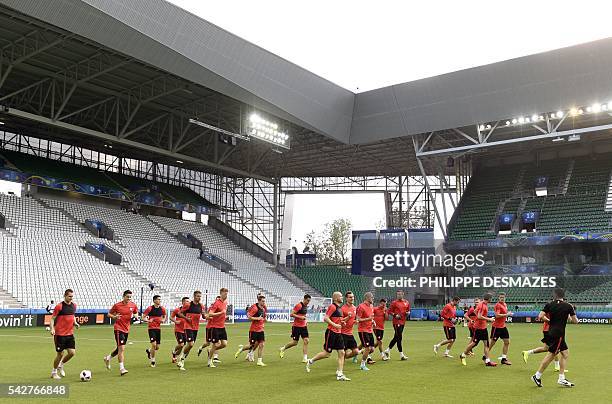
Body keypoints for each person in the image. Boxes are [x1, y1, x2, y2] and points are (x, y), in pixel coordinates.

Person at [531, 288, 578, 388]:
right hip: (559, 334)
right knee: (551, 355)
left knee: (565, 353)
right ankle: (537, 376)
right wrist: (571, 315)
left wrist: (549, 321)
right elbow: (575, 321)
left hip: (552, 332)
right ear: (563, 295)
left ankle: (561, 378)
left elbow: (540, 316)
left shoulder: (550, 304)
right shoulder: (568, 306)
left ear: (555, 295)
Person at [305, 291, 351, 381]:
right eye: (341, 296)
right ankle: (310, 361)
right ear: (335, 298)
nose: (342, 298)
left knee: (342, 353)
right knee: (327, 354)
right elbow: (326, 318)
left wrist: (346, 319)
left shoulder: (340, 308)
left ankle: (340, 374)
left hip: (338, 333)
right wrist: (335, 325)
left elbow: (339, 321)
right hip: (331, 332)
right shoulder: (332, 306)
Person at [104, 290, 138, 375]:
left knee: (119, 349)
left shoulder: (133, 305)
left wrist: (136, 317)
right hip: (118, 329)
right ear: (123, 296)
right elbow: (108, 314)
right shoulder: (117, 305)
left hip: (127, 329)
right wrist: (114, 316)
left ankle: (108, 358)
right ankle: (122, 368)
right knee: (122, 349)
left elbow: (135, 313)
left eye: (130, 297)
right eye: (127, 297)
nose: (129, 298)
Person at [522, 306, 566, 372]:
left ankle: (527, 352)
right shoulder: (550, 307)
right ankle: (556, 367)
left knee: (548, 348)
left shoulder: (556, 307)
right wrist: (550, 321)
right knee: (554, 349)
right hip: (549, 330)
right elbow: (542, 316)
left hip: (550, 330)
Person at [459, 293, 496, 367]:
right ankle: (463, 355)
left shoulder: (481, 304)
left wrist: (481, 320)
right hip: (479, 328)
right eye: (491, 298)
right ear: (489, 299)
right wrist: (489, 319)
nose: (491, 300)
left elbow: (475, 311)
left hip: (482, 327)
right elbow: (479, 316)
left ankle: (487, 361)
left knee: (486, 344)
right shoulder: (483, 305)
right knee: (474, 343)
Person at [50, 289, 79, 380]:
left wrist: (75, 323)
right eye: (69, 296)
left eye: (72, 296)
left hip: (70, 334)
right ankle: (54, 372)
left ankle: (61, 365)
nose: (71, 298)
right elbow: (52, 319)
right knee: (60, 354)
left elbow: (73, 315)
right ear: (65, 296)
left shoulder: (74, 305)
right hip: (60, 335)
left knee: (72, 353)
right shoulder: (59, 306)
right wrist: (52, 329)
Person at [175, 290, 206, 370]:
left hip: (196, 328)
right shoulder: (188, 305)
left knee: (190, 346)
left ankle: (181, 361)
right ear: (194, 296)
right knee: (191, 344)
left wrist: (210, 316)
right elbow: (179, 313)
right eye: (197, 296)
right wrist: (186, 318)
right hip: (188, 326)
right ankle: (181, 359)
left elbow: (204, 316)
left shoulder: (201, 306)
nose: (199, 298)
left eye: (200, 296)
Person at [235, 295, 268, 366]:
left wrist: (263, 322)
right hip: (254, 330)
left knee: (261, 345)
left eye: (264, 301)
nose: (264, 302)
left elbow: (263, 317)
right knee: (251, 345)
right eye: (262, 301)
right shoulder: (255, 308)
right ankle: (241, 349)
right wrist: (257, 319)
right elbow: (249, 317)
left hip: (261, 330)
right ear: (259, 301)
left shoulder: (263, 309)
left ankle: (259, 361)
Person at [279, 294, 311, 363]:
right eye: (307, 300)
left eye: (309, 301)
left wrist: (305, 321)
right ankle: (283, 348)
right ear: (304, 299)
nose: (308, 302)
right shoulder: (299, 305)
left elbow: (303, 315)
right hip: (296, 327)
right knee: (295, 343)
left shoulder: (305, 306)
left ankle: (305, 358)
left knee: (306, 341)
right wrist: (300, 317)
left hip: (304, 326)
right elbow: (291, 314)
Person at [383, 290, 410, 360]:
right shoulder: (394, 303)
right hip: (396, 322)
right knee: (399, 338)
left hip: (403, 322)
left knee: (396, 337)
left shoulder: (406, 302)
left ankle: (388, 350)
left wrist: (408, 313)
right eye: (398, 294)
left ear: (403, 294)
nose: (399, 296)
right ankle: (401, 355)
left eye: (400, 294)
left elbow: (408, 310)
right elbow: (389, 311)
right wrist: (395, 315)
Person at [489, 292, 513, 365]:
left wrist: (507, 314)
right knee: (492, 343)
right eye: (500, 297)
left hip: (503, 326)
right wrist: (507, 314)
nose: (502, 299)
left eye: (503, 297)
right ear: (498, 298)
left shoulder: (505, 304)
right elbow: (497, 315)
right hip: (496, 327)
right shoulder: (498, 305)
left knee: (507, 342)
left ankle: (504, 359)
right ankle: (485, 356)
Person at [207, 288, 229, 368]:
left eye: (227, 293)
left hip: (222, 327)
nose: (226, 295)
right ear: (221, 293)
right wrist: (220, 313)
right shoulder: (216, 303)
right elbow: (210, 314)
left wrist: (224, 316)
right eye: (225, 293)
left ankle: (210, 351)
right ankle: (209, 361)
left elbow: (222, 313)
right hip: (215, 327)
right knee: (215, 344)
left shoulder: (225, 303)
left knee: (224, 344)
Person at [143, 295, 167, 368]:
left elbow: (164, 315)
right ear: (154, 300)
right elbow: (143, 317)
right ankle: (153, 361)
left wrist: (163, 320)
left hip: (158, 329)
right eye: (158, 299)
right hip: (151, 329)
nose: (159, 301)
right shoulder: (150, 308)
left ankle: (149, 350)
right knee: (154, 345)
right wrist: (148, 320)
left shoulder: (162, 308)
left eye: (160, 299)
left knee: (157, 347)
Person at [198, 296, 221, 363]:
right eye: (217, 300)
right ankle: (201, 347)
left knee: (217, 342)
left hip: (217, 327)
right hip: (210, 327)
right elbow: (206, 317)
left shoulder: (221, 308)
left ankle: (215, 357)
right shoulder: (211, 308)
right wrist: (213, 318)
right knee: (208, 343)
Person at [356, 292, 375, 371]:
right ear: (367, 298)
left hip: (370, 330)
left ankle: (357, 353)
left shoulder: (371, 306)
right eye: (372, 297)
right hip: (363, 330)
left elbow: (370, 317)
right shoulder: (361, 307)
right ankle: (362, 365)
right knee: (367, 348)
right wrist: (368, 319)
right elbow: (358, 319)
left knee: (372, 349)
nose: (373, 298)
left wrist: (373, 321)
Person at [341, 291, 360, 363]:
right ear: (346, 298)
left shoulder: (355, 308)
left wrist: (355, 321)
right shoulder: (342, 308)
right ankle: (340, 368)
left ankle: (344, 358)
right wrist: (347, 317)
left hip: (350, 334)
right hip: (342, 334)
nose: (352, 298)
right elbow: (340, 321)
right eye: (350, 297)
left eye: (353, 297)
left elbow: (353, 320)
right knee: (342, 353)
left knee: (356, 351)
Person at [170, 297, 189, 364]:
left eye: (188, 301)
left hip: (186, 330)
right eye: (186, 301)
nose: (188, 302)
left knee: (182, 345)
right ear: (183, 302)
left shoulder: (189, 311)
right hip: (178, 330)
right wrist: (175, 321)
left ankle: (174, 356)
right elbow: (171, 317)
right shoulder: (177, 310)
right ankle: (174, 351)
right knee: (181, 344)